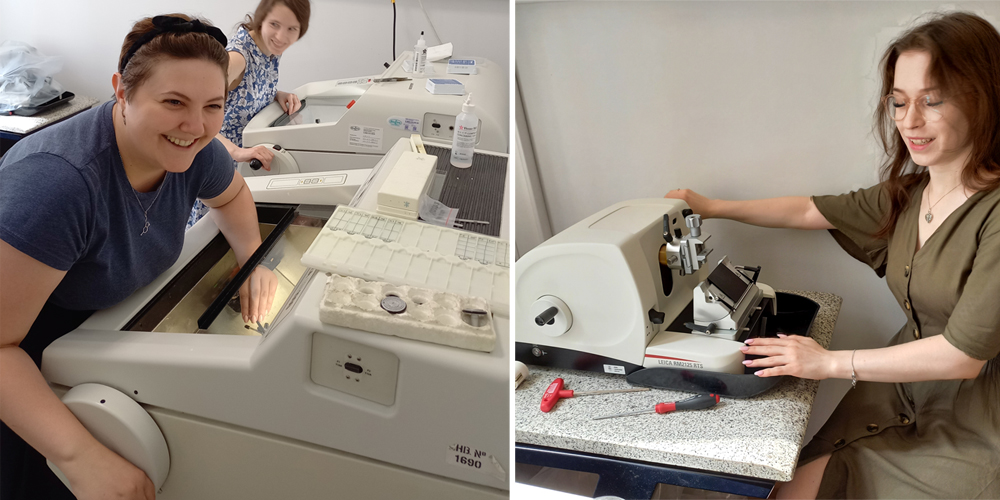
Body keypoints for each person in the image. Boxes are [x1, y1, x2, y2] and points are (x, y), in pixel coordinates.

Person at [666, 11, 999, 499]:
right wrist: (712, 207)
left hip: (978, 423)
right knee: (786, 489)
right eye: (899, 102)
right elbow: (808, 210)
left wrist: (827, 363)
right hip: (898, 391)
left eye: (932, 101)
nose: (910, 121)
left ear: (983, 99)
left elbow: (962, 357)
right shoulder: (909, 194)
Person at [0, 14, 278, 500]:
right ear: (121, 92)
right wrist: (79, 457)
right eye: (174, 102)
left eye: (213, 105)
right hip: (29, 353)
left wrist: (252, 259)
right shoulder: (58, 185)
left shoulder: (197, 149)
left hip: (103, 333)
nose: (196, 125)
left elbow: (232, 196)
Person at [188, 0, 311, 227]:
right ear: (261, 19)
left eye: (291, 29)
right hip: (218, 161)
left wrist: (276, 94)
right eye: (275, 24)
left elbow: (243, 91)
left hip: (242, 166)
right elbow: (192, 113)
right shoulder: (238, 57)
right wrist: (236, 152)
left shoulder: (270, 49)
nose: (281, 36)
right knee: (207, 238)